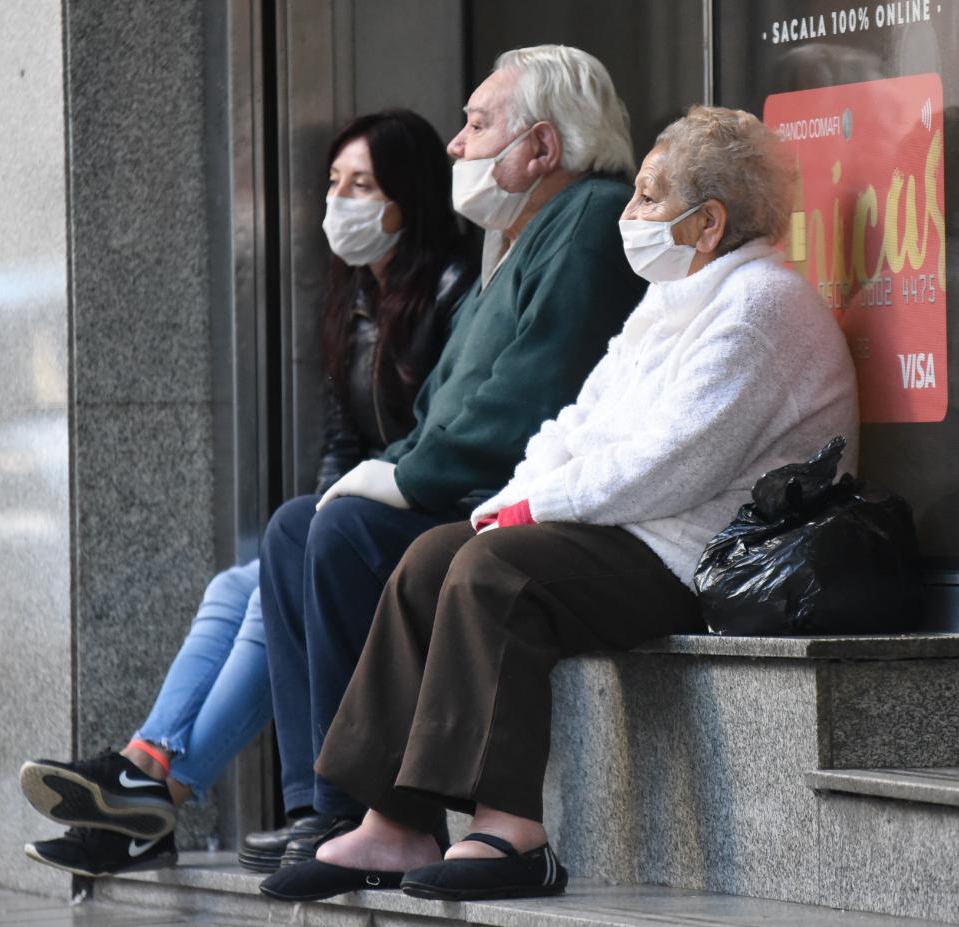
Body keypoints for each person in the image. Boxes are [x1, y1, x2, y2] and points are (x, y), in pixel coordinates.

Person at [258, 105, 860, 903]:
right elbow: (577, 422)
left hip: (697, 555)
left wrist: (528, 513)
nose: (631, 213)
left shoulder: (759, 307)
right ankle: (392, 823)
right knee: (432, 557)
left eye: (650, 197)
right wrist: (511, 500)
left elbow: (668, 468)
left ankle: (513, 834)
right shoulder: (674, 296)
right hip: (629, 533)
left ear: (709, 221)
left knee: (494, 572)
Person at [17, 109, 475, 878]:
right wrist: (334, 507)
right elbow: (343, 442)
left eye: (361, 184)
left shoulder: (456, 290)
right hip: (368, 510)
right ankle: (147, 775)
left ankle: (156, 785)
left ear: (409, 196)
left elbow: (443, 436)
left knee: (272, 574)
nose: (339, 201)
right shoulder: (356, 298)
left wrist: (338, 514)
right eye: (333, 182)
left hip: (433, 512)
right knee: (240, 582)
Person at [250, 45, 644, 868]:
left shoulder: (589, 219)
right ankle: (318, 802)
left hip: (510, 501)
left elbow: (531, 396)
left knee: (347, 532)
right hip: (463, 485)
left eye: (477, 124)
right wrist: (396, 464)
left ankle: (380, 809)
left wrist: (402, 476)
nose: (457, 146)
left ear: (539, 148)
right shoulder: (519, 237)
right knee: (293, 529)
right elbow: (441, 408)